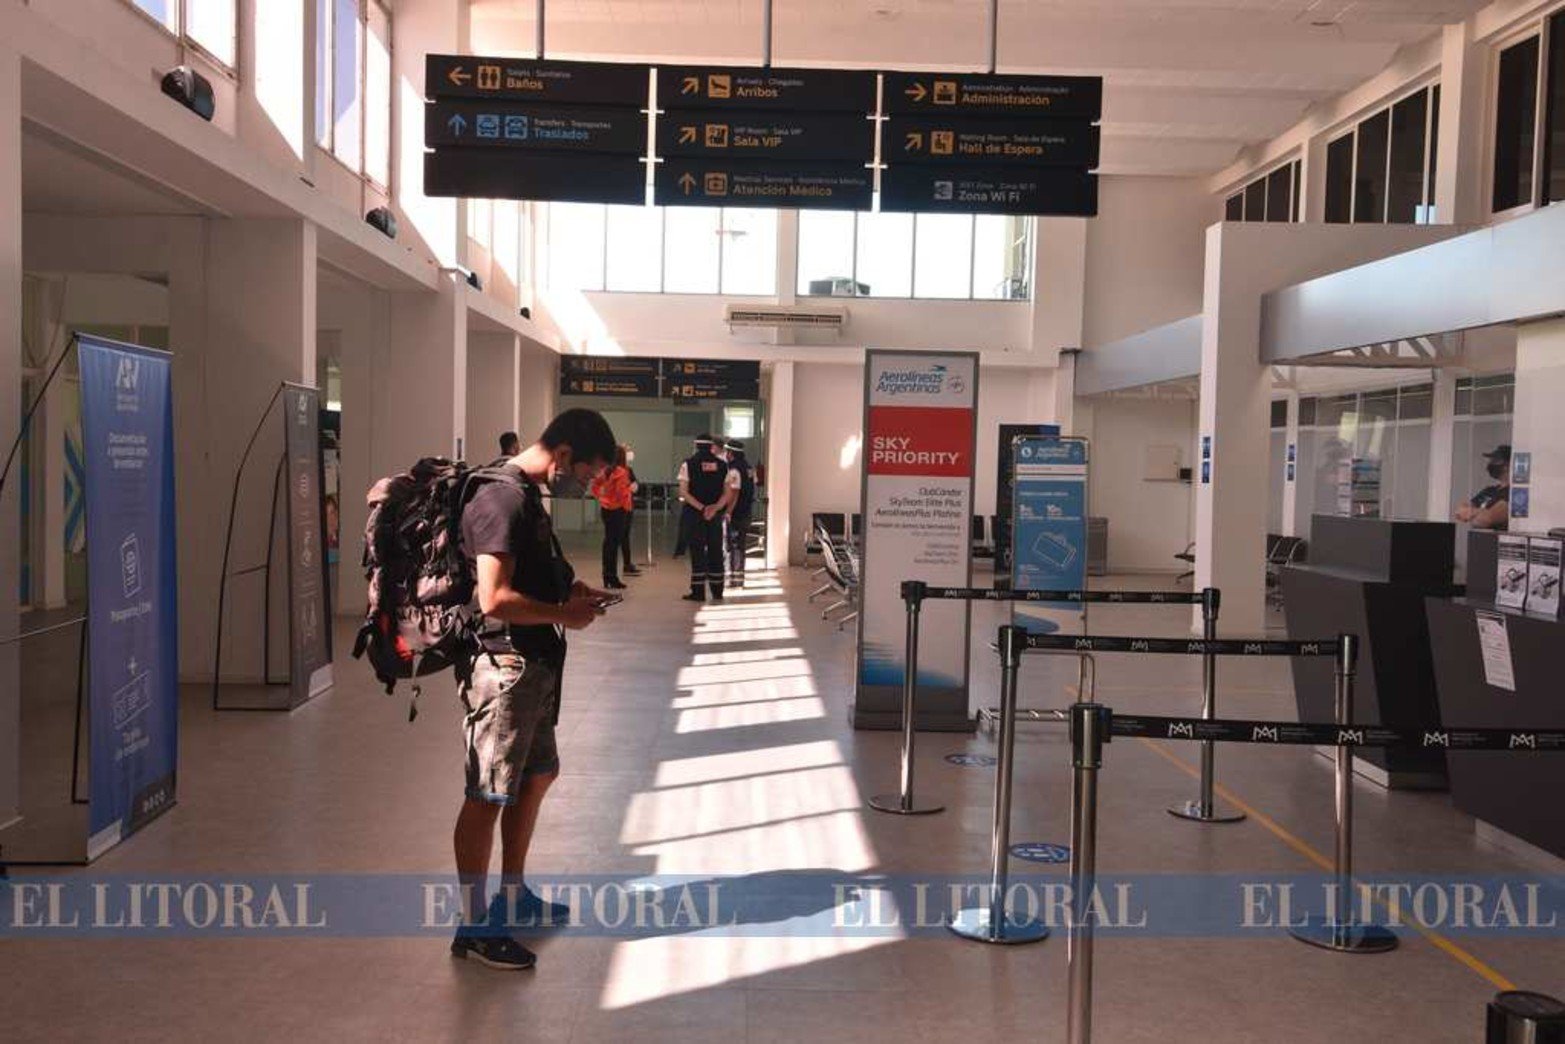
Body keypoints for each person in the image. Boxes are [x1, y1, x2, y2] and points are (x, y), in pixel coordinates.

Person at [451, 407, 617, 970]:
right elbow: (494, 598)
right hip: (503, 666)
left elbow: (533, 570)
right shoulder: (503, 498)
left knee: (538, 773)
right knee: (487, 794)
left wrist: (573, 591)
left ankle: (514, 894)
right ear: (565, 454)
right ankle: (474, 928)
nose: (589, 487)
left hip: (534, 663)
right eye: (590, 475)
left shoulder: (527, 494)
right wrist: (562, 615)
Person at [677, 434, 737, 602]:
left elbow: (683, 492)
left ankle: (698, 592)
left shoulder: (688, 464)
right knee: (715, 550)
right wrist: (715, 508)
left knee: (697, 551)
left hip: (695, 515)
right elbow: (728, 492)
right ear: (711, 447)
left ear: (696, 446)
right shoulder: (723, 465)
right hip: (715, 516)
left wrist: (702, 508)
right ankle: (717, 591)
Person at [589, 445, 635, 590]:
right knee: (614, 545)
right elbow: (622, 493)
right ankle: (612, 578)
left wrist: (602, 498)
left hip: (606, 510)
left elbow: (595, 486)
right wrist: (629, 492)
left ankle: (607, 576)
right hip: (619, 511)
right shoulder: (622, 472)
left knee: (608, 543)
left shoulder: (606, 471)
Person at [1456, 443, 1511, 531]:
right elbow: (1460, 512)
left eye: (1495, 460)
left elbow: (1487, 519)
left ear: (1507, 465)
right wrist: (1479, 513)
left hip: (1496, 543)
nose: (1490, 463)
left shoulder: (1512, 493)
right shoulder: (1489, 490)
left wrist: (1472, 513)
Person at [723, 440, 756, 589]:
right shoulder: (749, 468)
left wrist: (728, 511)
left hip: (737, 513)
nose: (725, 455)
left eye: (727, 452)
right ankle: (739, 578)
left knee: (734, 546)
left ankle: (735, 579)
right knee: (740, 546)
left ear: (731, 453)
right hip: (746, 511)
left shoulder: (734, 470)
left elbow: (735, 493)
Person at [621, 448, 641, 577]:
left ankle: (626, 564)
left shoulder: (627, 470)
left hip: (621, 507)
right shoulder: (623, 471)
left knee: (621, 537)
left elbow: (635, 486)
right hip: (623, 507)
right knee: (622, 537)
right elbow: (634, 487)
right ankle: (625, 565)